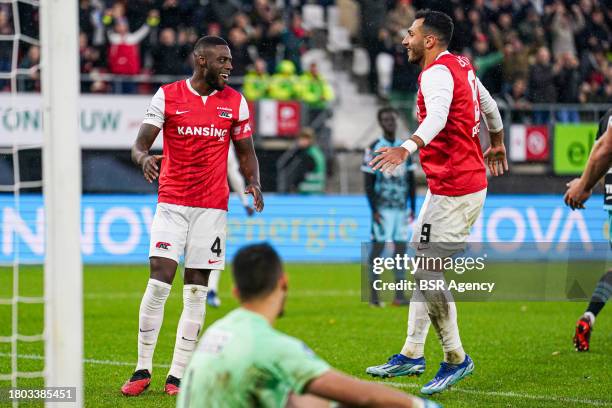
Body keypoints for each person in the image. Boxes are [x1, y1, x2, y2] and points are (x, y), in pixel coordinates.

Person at [366, 10, 507, 395]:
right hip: (447, 185)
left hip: (457, 188)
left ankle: (456, 358)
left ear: (429, 40)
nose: (404, 39)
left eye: (410, 34)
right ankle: (412, 352)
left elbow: (440, 117)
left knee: (427, 270)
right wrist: (496, 141)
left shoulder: (436, 74)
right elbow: (490, 105)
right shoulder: (461, 66)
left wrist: (406, 148)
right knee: (420, 264)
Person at [120, 35, 264, 397]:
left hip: (212, 208)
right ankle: (141, 368)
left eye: (230, 61)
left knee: (196, 291)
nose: (230, 66)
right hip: (172, 203)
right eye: (223, 60)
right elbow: (139, 144)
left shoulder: (235, 102)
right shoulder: (167, 95)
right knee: (159, 281)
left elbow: (246, 150)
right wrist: (144, 159)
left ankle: (177, 375)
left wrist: (254, 182)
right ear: (202, 61)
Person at [177, 243, 440, 408]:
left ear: (235, 291)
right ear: (284, 283)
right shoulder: (269, 345)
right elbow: (362, 395)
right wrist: (420, 405)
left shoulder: (218, 330)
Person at [565, 108, 612, 352]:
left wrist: (586, 184)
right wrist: (584, 184)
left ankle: (589, 317)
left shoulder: (607, 117)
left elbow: (602, 154)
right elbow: (605, 149)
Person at [362, 107, 416, 307]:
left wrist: (412, 206)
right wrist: (374, 209)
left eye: (392, 119)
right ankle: (375, 296)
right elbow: (367, 181)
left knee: (400, 251)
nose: (390, 123)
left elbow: (410, 178)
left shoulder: (404, 148)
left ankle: (399, 295)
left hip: (401, 208)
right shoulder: (374, 147)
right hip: (382, 208)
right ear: (380, 123)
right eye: (385, 120)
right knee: (378, 249)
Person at [207, 141, 256, 309]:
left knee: (193, 248)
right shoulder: (223, 140)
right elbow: (233, 174)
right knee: (215, 248)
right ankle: (210, 290)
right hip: (214, 203)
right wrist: (244, 202)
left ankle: (205, 290)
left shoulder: (198, 134)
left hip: (189, 201)